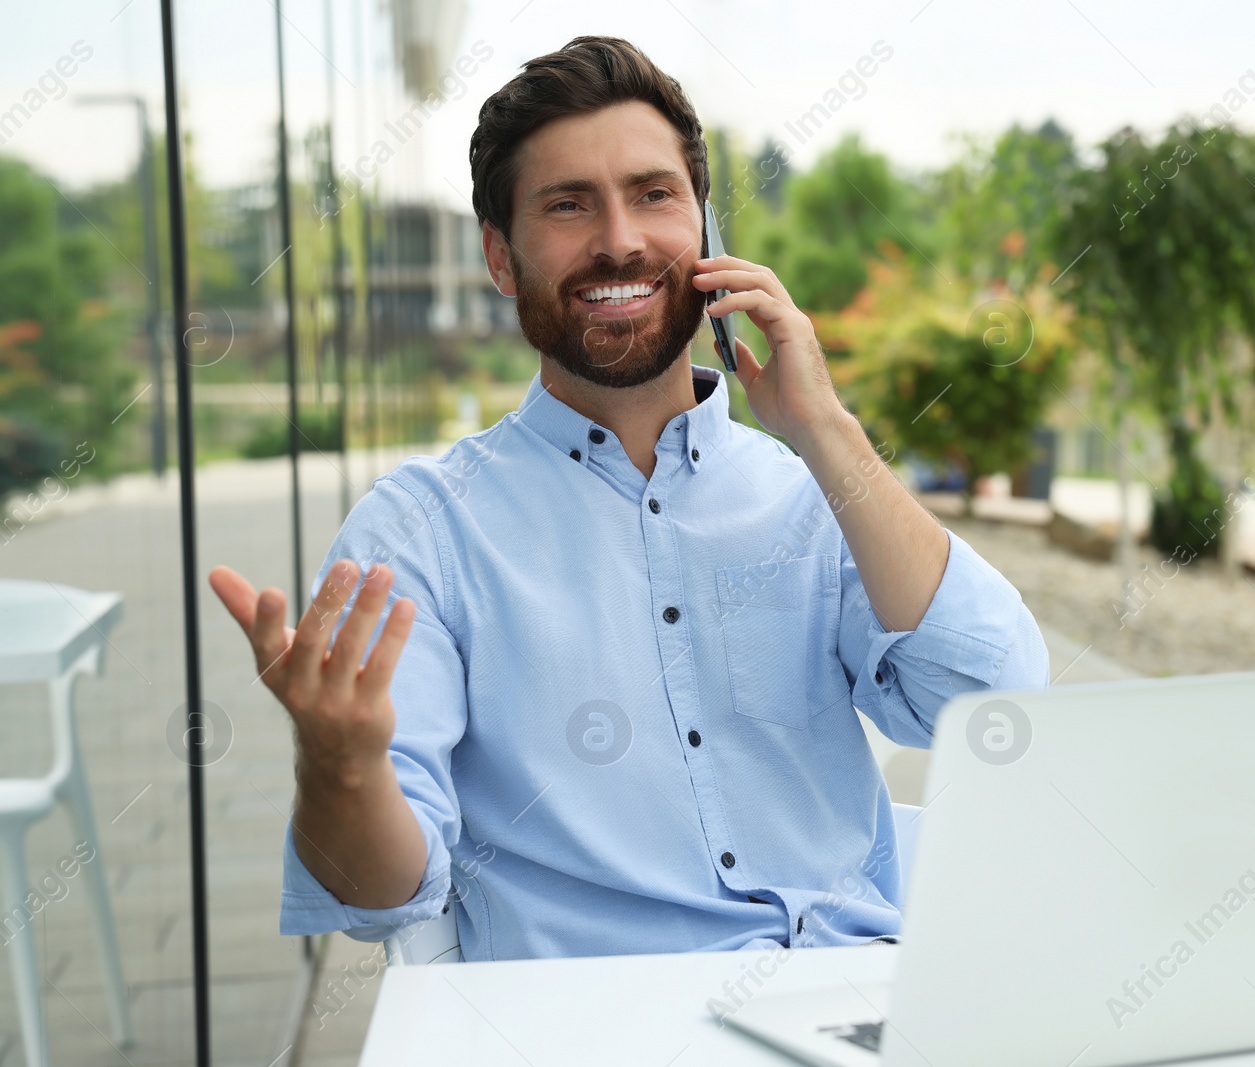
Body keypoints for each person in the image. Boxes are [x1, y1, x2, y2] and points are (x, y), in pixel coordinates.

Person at [209, 35, 1047, 961]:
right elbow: (380, 896)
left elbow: (995, 707)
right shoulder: (420, 534)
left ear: (706, 233)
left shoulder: (817, 492)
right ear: (499, 256)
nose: (619, 239)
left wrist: (828, 432)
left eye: (654, 195)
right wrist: (342, 764)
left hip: (852, 1001)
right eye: (568, 206)